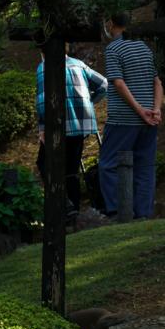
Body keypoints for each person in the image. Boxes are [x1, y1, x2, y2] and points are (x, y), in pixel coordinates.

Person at [99, 12, 163, 219]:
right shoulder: (145, 48)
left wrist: (139, 110)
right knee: (145, 166)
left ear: (111, 23)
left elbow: (118, 82)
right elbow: (157, 81)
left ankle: (118, 211)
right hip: (150, 119)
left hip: (123, 119)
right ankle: (143, 213)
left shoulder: (113, 49)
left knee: (109, 164)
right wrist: (155, 109)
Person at [36, 44, 107, 220]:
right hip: (81, 125)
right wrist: (89, 101)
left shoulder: (43, 67)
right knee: (72, 169)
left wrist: (42, 129)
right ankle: (73, 210)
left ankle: (65, 205)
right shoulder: (78, 64)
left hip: (57, 125)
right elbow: (104, 84)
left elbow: (42, 100)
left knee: (44, 163)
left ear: (42, 53)